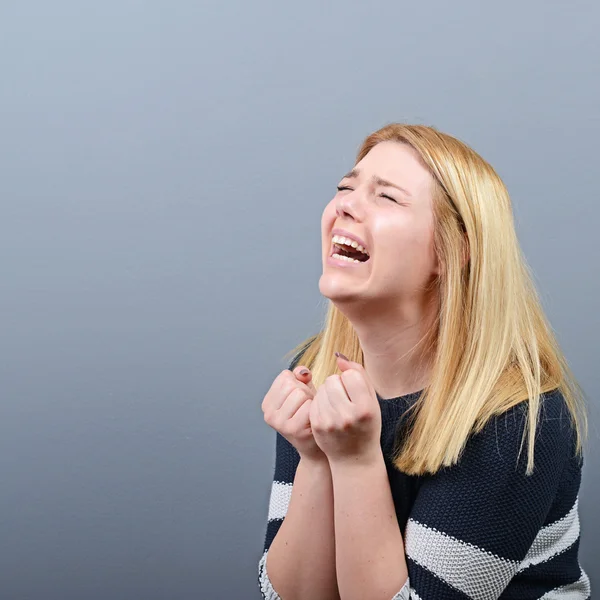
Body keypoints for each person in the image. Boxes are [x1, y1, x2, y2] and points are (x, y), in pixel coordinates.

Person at [258, 123, 591, 599]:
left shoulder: (517, 419)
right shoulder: (317, 371)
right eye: (345, 188)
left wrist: (353, 462)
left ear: (452, 250)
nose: (344, 205)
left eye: (386, 197)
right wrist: (315, 458)